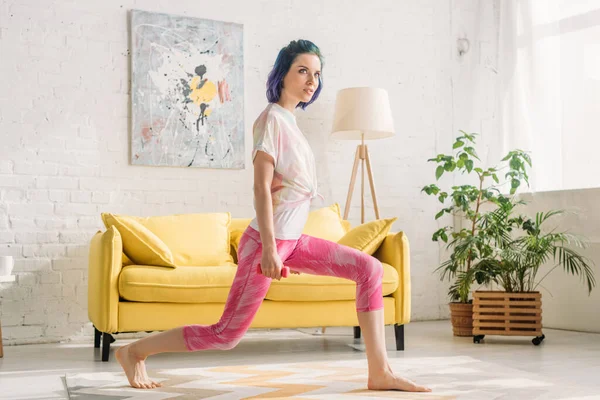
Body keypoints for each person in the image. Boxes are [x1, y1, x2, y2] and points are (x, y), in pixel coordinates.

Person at [116, 39, 431, 393]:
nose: (312, 80)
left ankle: (380, 372)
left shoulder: (292, 122)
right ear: (282, 74)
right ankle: (134, 351)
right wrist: (269, 249)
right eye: (302, 71)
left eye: (316, 74)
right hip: (267, 242)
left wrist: (283, 247)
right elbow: (261, 189)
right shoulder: (272, 120)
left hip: (293, 241)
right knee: (226, 335)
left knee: (369, 269)